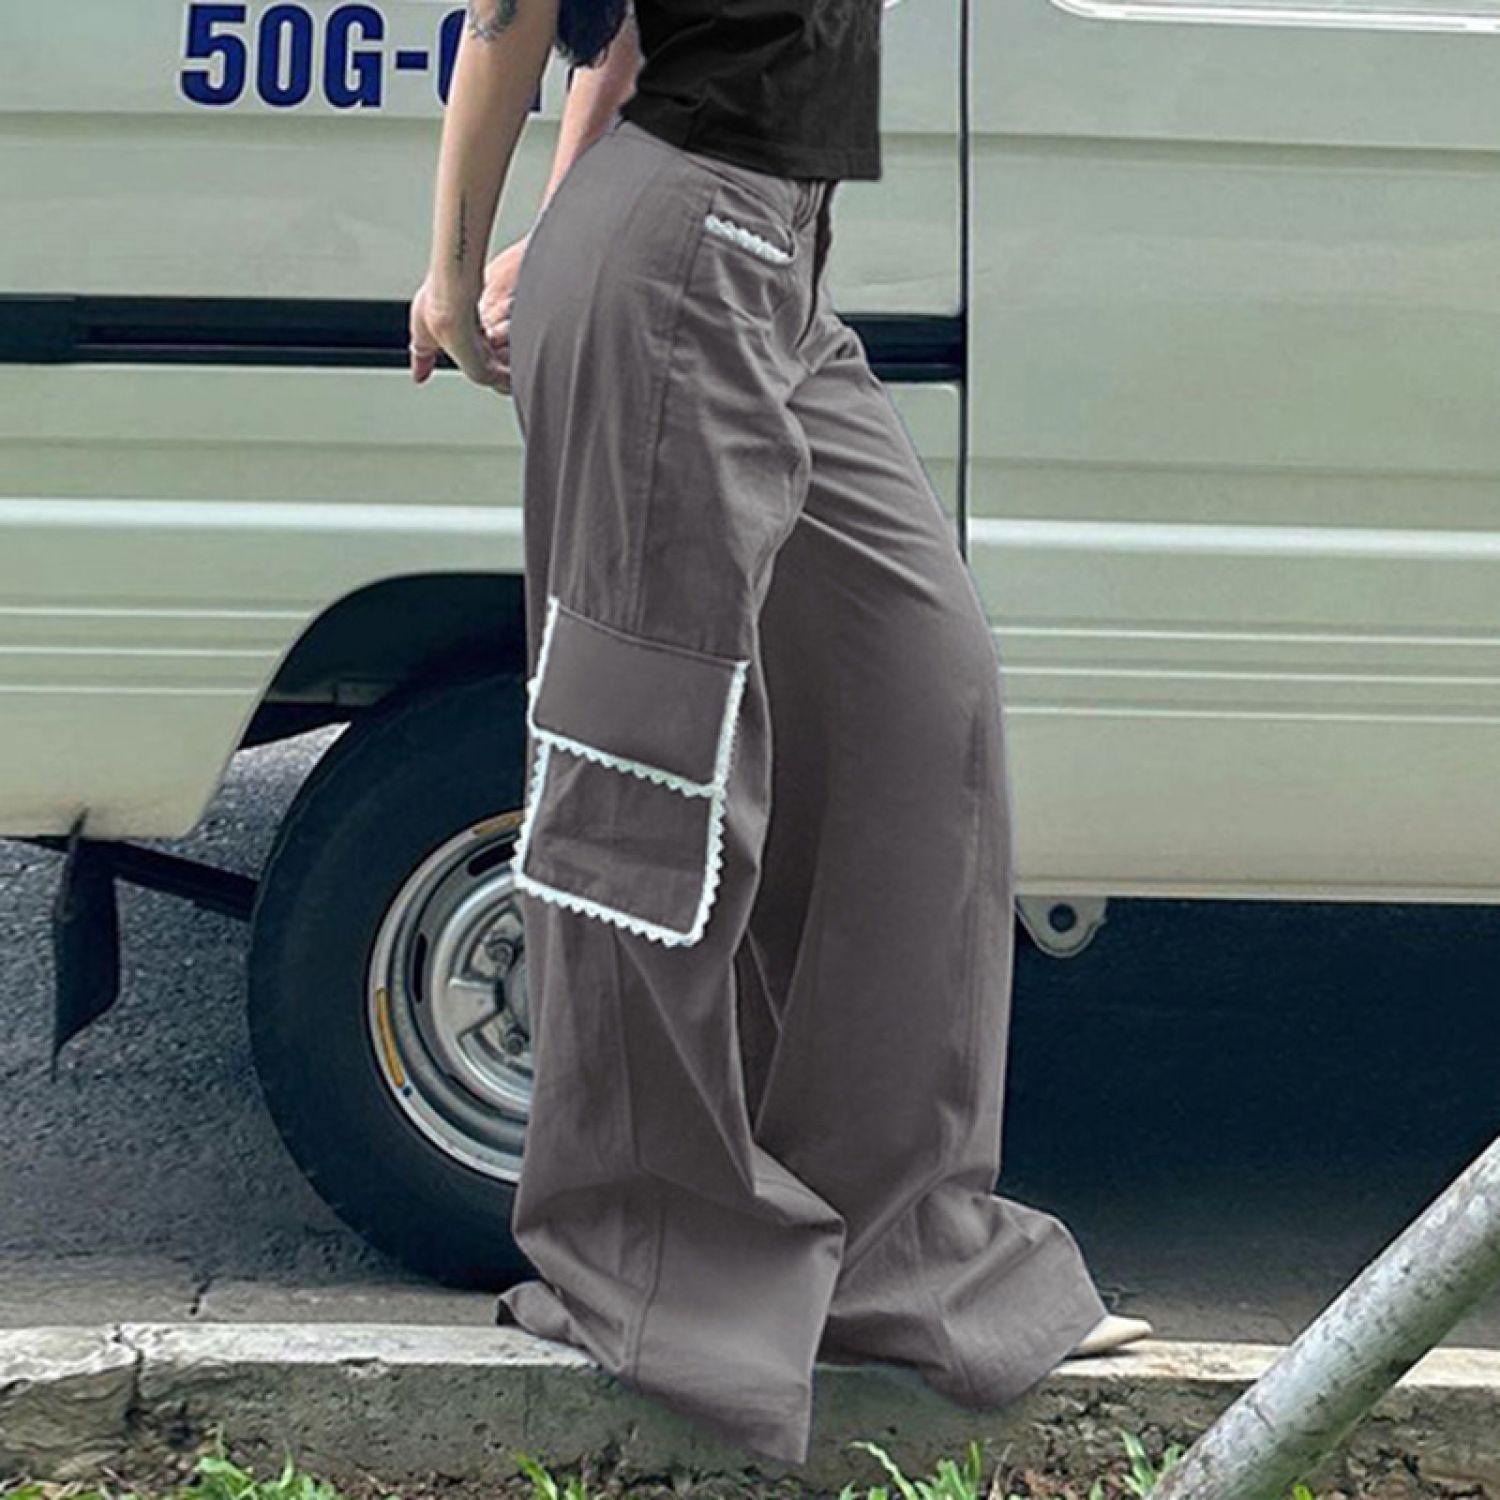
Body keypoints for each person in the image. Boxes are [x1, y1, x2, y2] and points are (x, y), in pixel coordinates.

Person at [409, 0, 1153, 1467]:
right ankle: (647, 1256)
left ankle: (895, 1249)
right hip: (681, 254)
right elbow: (515, 16)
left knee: (920, 695)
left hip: (772, 265)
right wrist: (451, 270)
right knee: (649, 776)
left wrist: (555, 219)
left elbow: (625, 42)